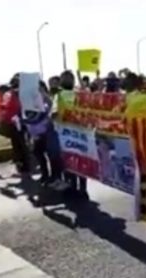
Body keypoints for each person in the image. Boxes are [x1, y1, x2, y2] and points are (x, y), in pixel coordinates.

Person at [55, 70, 89, 199]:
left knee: (69, 161)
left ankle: (73, 187)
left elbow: (54, 114)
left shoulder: (59, 96)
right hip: (81, 133)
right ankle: (83, 189)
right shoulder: (79, 95)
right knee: (81, 162)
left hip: (66, 134)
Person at [0, 74, 31, 175]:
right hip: (13, 123)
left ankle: (25, 164)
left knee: (21, 144)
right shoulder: (9, 94)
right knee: (18, 144)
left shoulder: (20, 94)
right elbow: (6, 106)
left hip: (20, 122)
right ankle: (21, 164)